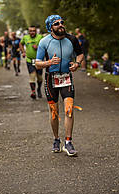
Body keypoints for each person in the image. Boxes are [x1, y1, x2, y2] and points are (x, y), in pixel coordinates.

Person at [35, 15, 84, 156]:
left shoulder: (72, 39)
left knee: (69, 109)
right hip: (51, 79)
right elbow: (37, 63)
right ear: (50, 27)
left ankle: (68, 142)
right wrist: (48, 63)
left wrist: (77, 64)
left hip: (66, 78)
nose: (61, 25)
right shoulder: (44, 42)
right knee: (54, 112)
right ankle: (56, 139)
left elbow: (80, 55)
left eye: (62, 22)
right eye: (57, 24)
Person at [20, 26, 43, 99]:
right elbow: (21, 44)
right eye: (30, 31)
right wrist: (23, 52)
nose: (32, 32)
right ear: (28, 32)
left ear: (36, 31)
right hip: (29, 60)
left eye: (33, 31)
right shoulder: (25, 37)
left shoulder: (40, 37)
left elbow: (45, 46)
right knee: (32, 76)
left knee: (39, 78)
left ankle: (38, 89)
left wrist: (39, 47)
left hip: (39, 60)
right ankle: (33, 92)